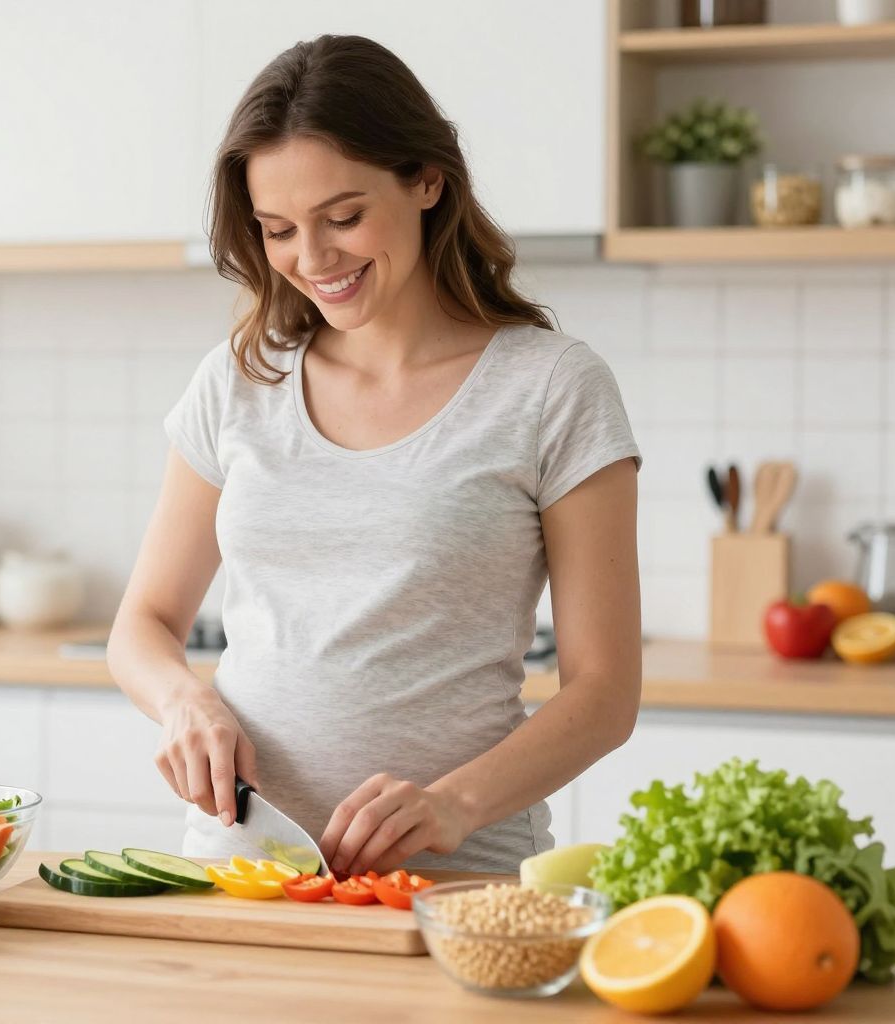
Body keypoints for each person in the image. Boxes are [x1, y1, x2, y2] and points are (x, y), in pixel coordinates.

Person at [107, 35, 642, 874]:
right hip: (246, 872)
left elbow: (606, 695)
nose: (312, 261)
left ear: (427, 179)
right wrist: (184, 703)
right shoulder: (238, 381)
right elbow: (141, 626)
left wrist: (451, 805)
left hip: (454, 892)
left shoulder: (551, 387)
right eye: (278, 229)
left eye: (344, 217)